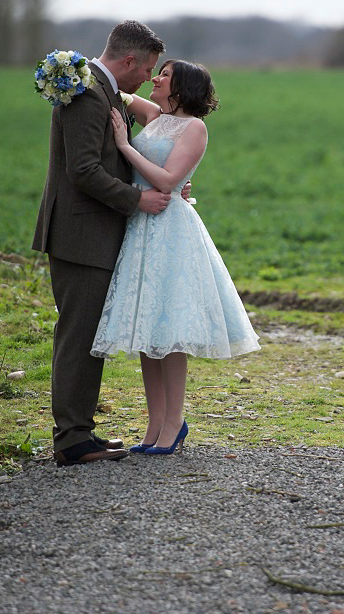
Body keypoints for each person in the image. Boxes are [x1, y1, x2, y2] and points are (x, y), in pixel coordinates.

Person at [32, 20, 190, 466]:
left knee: (87, 336)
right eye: (148, 69)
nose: (148, 78)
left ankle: (81, 432)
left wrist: (169, 180)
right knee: (79, 336)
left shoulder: (99, 86)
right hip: (81, 234)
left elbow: (124, 146)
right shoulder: (85, 93)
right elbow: (83, 170)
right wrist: (138, 199)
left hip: (91, 233)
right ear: (129, 61)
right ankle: (72, 439)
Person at [90, 59, 260, 455]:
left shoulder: (194, 128)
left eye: (163, 76)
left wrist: (123, 146)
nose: (154, 79)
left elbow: (168, 180)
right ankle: (154, 424)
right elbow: (115, 90)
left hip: (171, 231)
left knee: (170, 332)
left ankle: (175, 422)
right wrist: (75, 71)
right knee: (148, 334)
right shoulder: (154, 114)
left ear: (181, 87)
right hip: (141, 229)